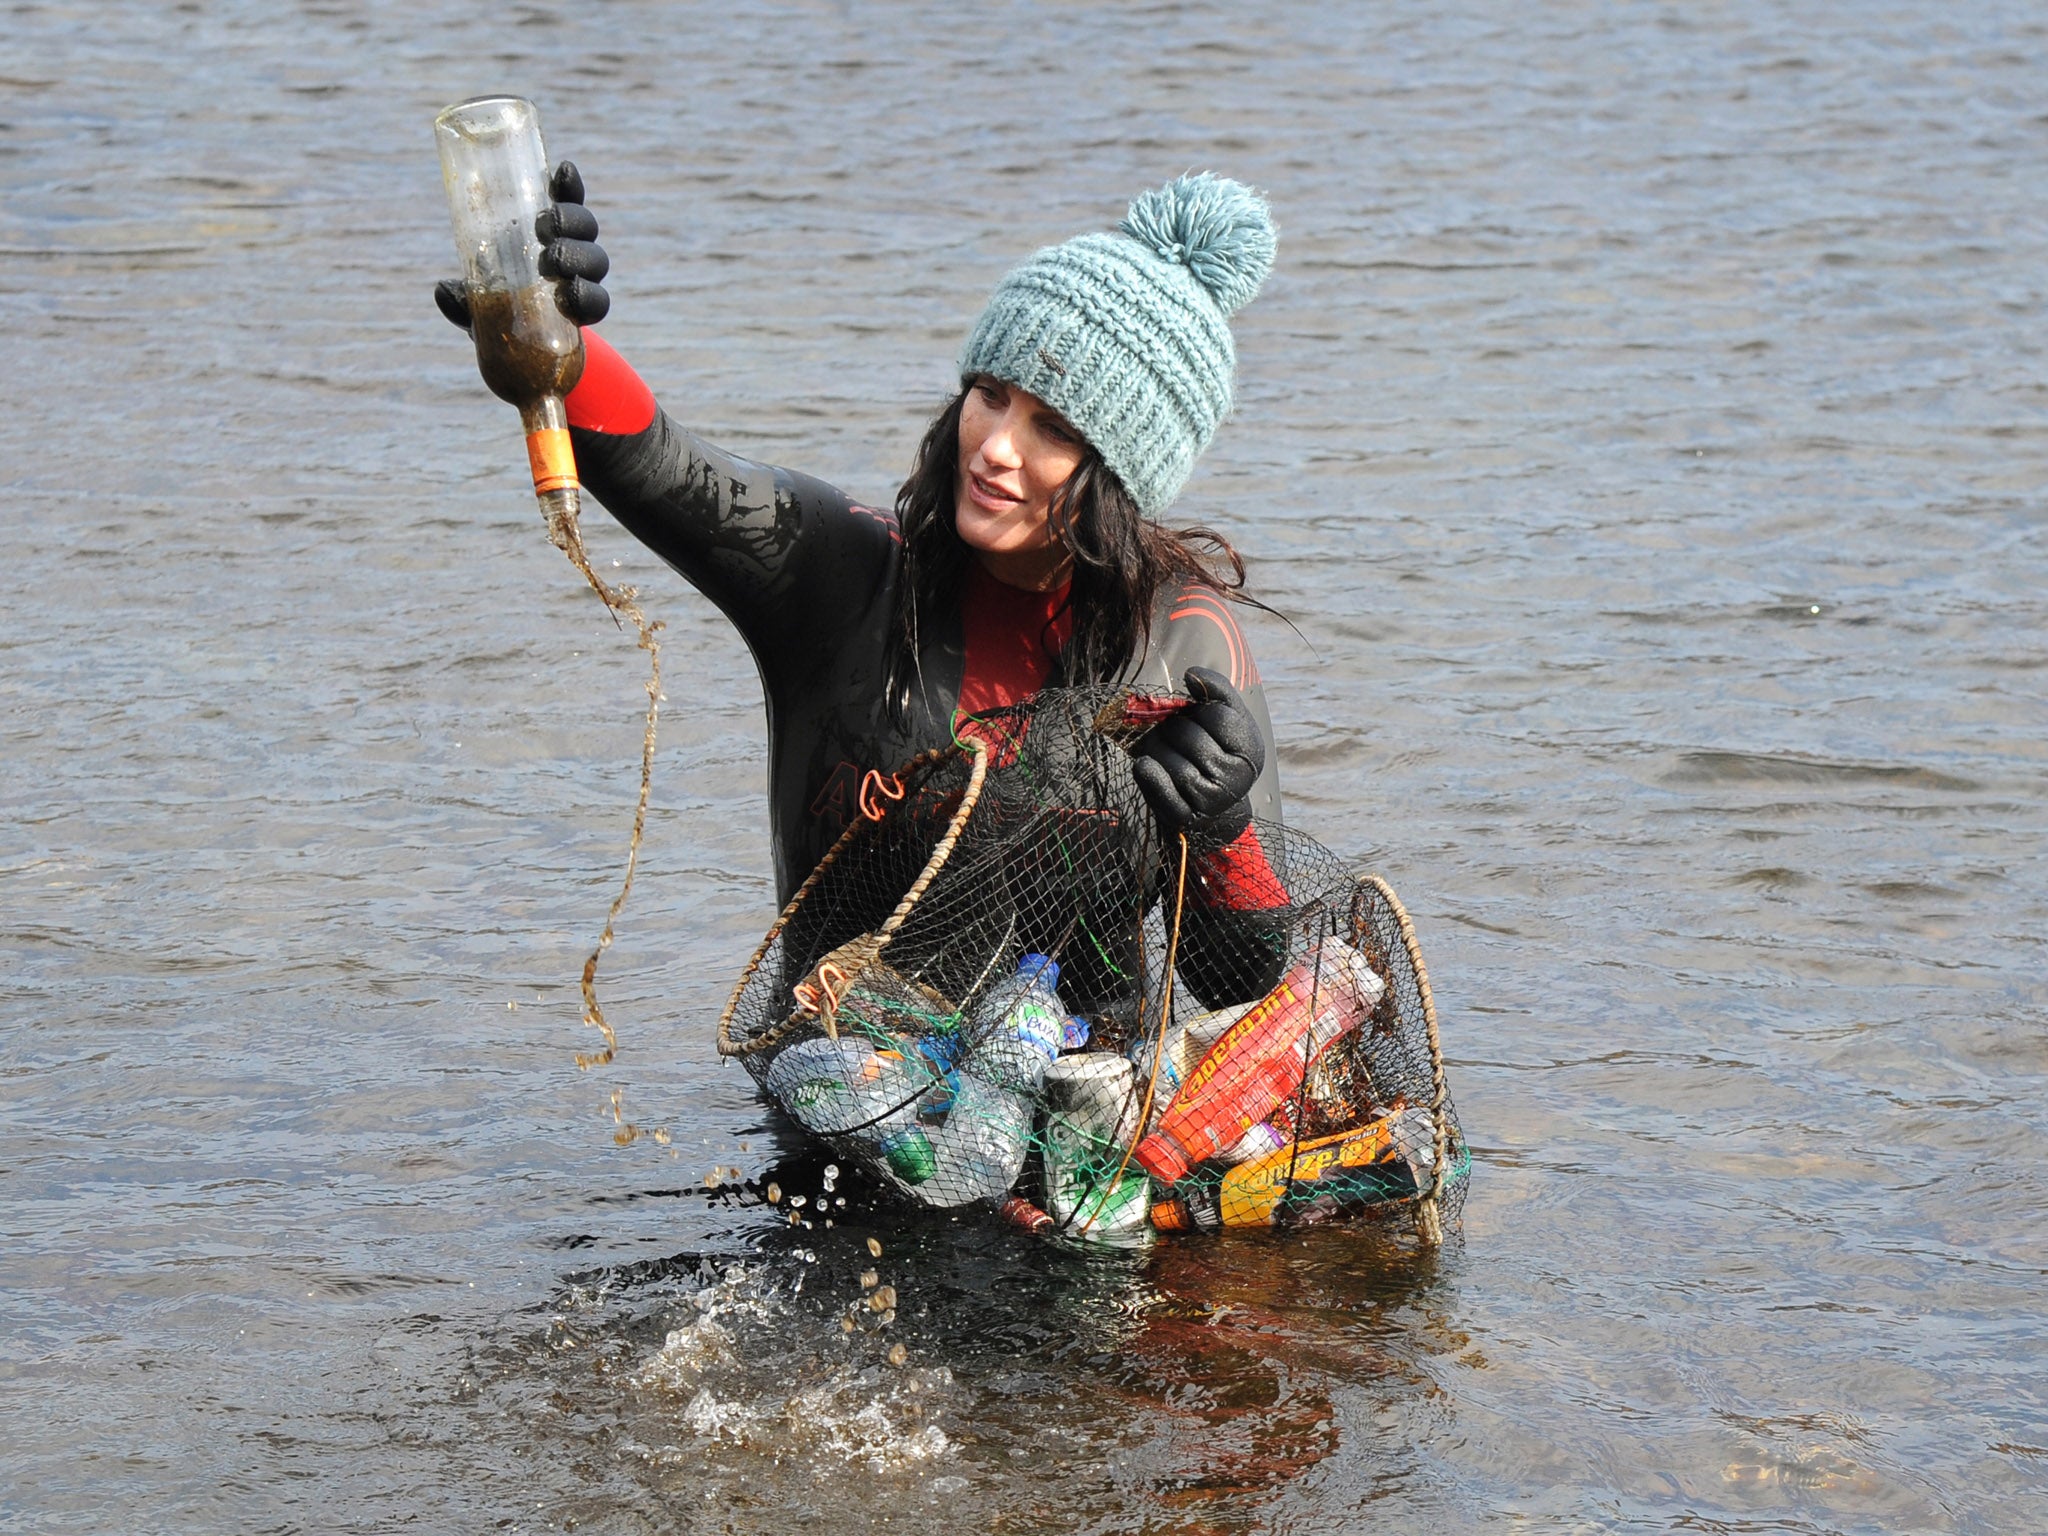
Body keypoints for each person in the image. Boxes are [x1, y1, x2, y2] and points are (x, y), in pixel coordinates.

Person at [438, 166, 1291, 1012]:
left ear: (1123, 473)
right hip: (834, 1097)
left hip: (1083, 1118)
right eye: (989, 396)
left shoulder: (1184, 642)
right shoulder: (838, 573)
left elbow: (1236, 983)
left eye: (1052, 430)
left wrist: (1223, 835)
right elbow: (654, 460)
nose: (994, 446)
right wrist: (546, 325)